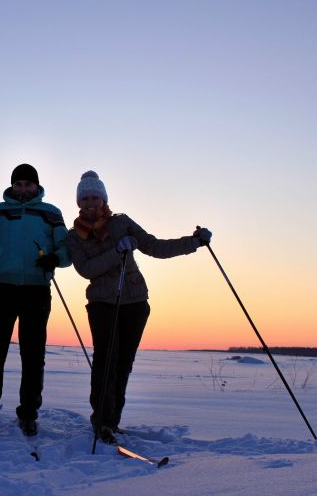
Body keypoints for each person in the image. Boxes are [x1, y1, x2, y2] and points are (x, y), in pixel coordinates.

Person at [65, 170, 212, 444]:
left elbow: (154, 246)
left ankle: (112, 421)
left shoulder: (122, 223)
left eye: (95, 196)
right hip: (102, 304)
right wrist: (117, 252)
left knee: (123, 365)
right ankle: (102, 421)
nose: (90, 203)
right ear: (78, 202)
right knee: (105, 362)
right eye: (85, 198)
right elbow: (86, 269)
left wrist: (194, 243)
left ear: (104, 198)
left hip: (135, 302)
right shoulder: (74, 236)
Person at [0, 163, 71, 437]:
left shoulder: (51, 213)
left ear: (37, 186)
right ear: (12, 185)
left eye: (28, 184)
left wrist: (54, 258)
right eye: (18, 184)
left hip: (37, 290)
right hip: (3, 288)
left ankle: (28, 413)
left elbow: (66, 250)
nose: (23, 189)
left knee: (33, 355)